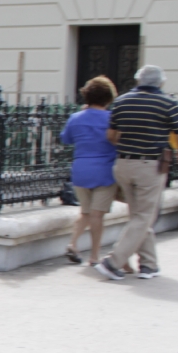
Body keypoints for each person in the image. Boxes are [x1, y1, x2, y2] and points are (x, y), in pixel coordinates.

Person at [95, 65, 178, 280]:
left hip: (123, 164)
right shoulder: (168, 102)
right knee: (145, 216)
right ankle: (113, 262)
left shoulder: (121, 101)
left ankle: (149, 264)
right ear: (161, 83)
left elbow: (111, 135)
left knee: (139, 215)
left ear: (138, 81)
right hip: (150, 166)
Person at [59, 76, 118, 265]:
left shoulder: (75, 118)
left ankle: (73, 243)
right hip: (104, 171)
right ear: (108, 98)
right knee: (97, 215)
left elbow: (66, 139)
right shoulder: (112, 119)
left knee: (85, 212)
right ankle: (94, 255)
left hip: (81, 170)